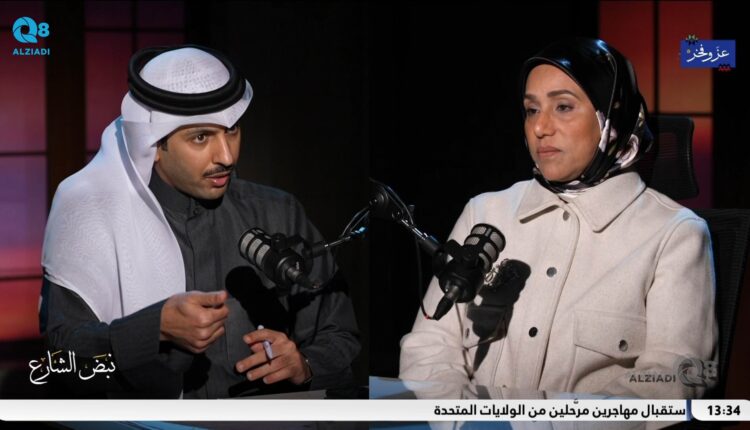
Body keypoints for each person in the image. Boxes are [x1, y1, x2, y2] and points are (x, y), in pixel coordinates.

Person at [399, 38, 717, 399]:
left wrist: (537, 422)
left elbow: (674, 378)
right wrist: (461, 419)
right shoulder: (485, 212)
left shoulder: (675, 234)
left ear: (612, 119)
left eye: (563, 107)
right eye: (531, 110)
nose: (540, 127)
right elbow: (428, 345)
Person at [39, 45, 360, 398]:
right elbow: (63, 357)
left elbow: (339, 334)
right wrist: (153, 329)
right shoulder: (93, 214)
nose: (227, 156)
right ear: (152, 145)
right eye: (201, 137)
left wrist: (304, 364)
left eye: (232, 130)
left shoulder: (277, 211)